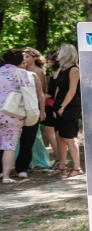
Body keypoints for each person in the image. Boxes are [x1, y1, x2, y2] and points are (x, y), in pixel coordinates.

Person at [46, 44, 82, 178]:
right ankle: (61, 167)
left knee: (69, 137)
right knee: (59, 137)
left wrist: (63, 107)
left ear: (67, 53)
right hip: (59, 106)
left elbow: (72, 90)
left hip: (70, 107)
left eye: (61, 52)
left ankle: (77, 168)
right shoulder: (61, 69)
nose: (58, 55)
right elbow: (57, 88)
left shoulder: (74, 69)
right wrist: (55, 107)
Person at [13, 48, 48, 178]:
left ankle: (30, 165)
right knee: (15, 140)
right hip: (16, 110)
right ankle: (20, 165)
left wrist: (42, 110)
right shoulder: (13, 74)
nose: (26, 60)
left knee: (32, 139)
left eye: (27, 57)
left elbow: (41, 93)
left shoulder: (36, 74)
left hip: (32, 109)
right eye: (24, 58)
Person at [0, 49, 30, 183]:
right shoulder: (22, 73)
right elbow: (27, 92)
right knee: (9, 145)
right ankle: (6, 176)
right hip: (12, 113)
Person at [38, 50, 60, 168]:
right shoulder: (57, 73)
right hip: (50, 106)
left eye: (50, 58)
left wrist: (38, 98)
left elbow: (51, 93)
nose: (48, 60)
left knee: (51, 135)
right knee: (47, 135)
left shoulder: (57, 74)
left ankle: (59, 160)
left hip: (50, 106)